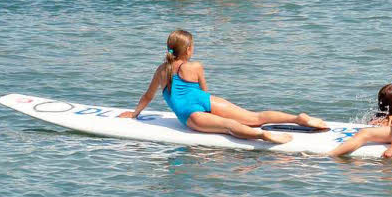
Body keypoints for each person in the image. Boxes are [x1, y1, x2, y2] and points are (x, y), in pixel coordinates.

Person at [120, 29, 327, 144]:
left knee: (228, 127)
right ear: (188, 50)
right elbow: (204, 92)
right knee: (255, 117)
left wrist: (135, 113)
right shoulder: (196, 66)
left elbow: (148, 96)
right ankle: (297, 118)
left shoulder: (161, 70)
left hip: (191, 115)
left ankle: (262, 135)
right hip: (205, 102)